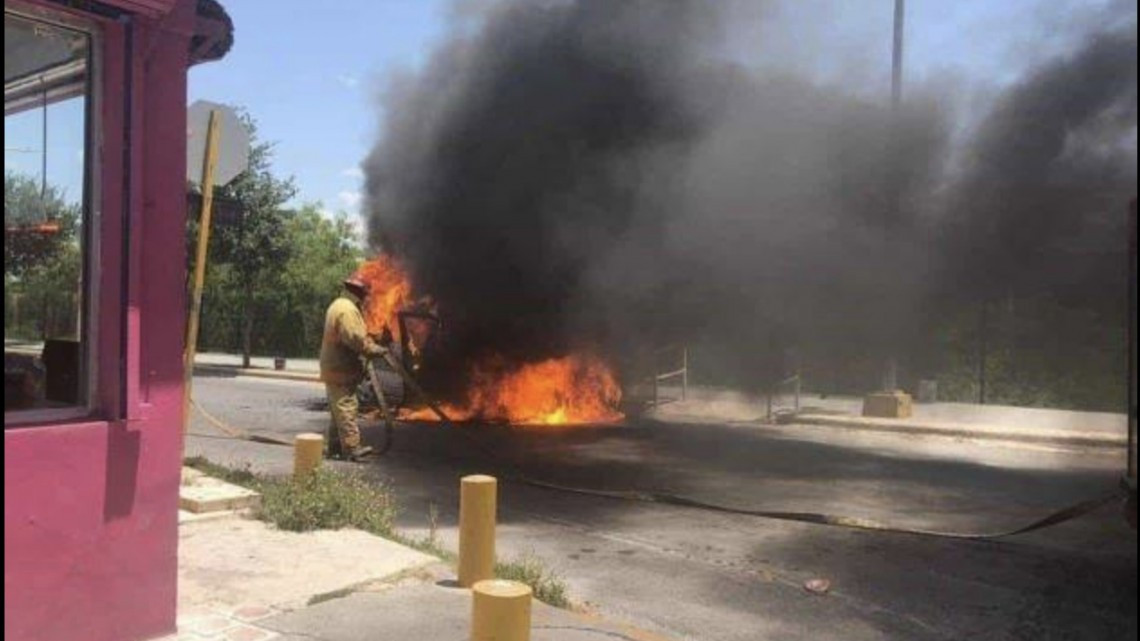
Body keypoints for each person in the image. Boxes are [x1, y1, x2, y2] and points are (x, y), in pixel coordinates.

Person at [320, 272, 387, 460]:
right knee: (346, 406)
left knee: (337, 409)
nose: (366, 297)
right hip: (340, 368)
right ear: (358, 291)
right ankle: (352, 448)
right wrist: (372, 348)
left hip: (335, 367)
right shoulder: (347, 309)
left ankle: (334, 447)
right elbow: (355, 338)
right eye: (364, 293)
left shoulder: (339, 305)